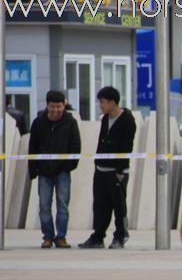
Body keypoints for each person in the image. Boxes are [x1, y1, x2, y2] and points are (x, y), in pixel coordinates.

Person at [78, 87, 136, 250]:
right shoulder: (105, 119)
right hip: (101, 169)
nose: (100, 105)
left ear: (112, 102)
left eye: (102, 102)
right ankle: (98, 236)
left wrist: (120, 170)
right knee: (100, 205)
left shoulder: (127, 120)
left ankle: (120, 236)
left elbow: (127, 147)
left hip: (117, 171)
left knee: (118, 205)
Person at [28, 90, 81, 249]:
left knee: (62, 204)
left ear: (64, 106)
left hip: (63, 171)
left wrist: (68, 166)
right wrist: (33, 169)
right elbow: (33, 147)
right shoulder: (38, 122)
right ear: (47, 105)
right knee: (44, 205)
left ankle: (61, 237)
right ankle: (48, 237)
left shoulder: (70, 122)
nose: (56, 110)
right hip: (44, 171)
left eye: (59, 107)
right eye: (52, 106)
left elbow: (76, 146)